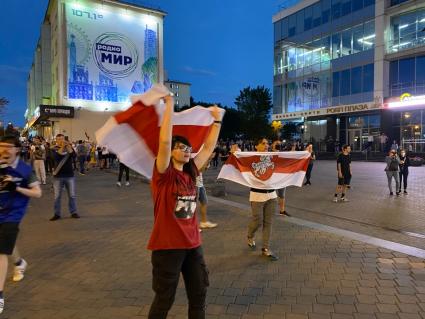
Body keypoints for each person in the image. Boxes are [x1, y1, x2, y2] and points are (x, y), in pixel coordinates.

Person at [148, 93, 223, 319]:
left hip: (193, 245)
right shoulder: (163, 174)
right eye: (179, 147)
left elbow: (208, 148)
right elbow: (164, 141)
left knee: (199, 294)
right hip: (167, 247)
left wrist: (217, 120)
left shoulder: (191, 173)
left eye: (187, 148)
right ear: (171, 152)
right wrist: (170, 104)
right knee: (164, 300)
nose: (185, 150)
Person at [0, 135, 42, 314]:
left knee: (1, 250)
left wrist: (16, 188)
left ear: (17, 149)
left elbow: (37, 193)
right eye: (1, 146)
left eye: (9, 146)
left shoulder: (25, 170)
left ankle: (0, 296)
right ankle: (19, 262)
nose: (4, 149)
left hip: (13, 214)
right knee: (6, 244)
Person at [247, 138, 279, 261]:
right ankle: (250, 235)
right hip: (256, 195)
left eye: (267, 143)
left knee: (268, 223)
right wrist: (235, 152)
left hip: (271, 195)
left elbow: (290, 159)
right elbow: (237, 160)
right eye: (263, 143)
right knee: (258, 221)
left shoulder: (273, 157)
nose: (266, 145)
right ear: (256, 146)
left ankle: (265, 249)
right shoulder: (250, 157)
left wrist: (307, 153)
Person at [49, 134, 80, 221]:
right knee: (57, 196)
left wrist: (68, 146)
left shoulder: (68, 147)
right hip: (58, 176)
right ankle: (57, 214)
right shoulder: (53, 149)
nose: (60, 141)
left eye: (62, 139)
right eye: (58, 139)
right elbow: (57, 157)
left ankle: (73, 212)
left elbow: (73, 156)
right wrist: (63, 146)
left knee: (72, 195)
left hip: (70, 175)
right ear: (56, 140)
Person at [271, 140, 290, 217]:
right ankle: (269, 210)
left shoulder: (283, 154)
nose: (278, 145)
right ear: (272, 145)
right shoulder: (268, 154)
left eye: (279, 144)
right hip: (271, 178)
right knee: (270, 195)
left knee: (282, 195)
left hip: (281, 178)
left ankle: (282, 210)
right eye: (276, 144)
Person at [197, 165, 217, 230]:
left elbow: (203, 169)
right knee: (192, 206)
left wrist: (207, 162)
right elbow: (198, 168)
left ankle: (204, 222)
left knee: (204, 202)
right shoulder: (194, 157)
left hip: (200, 183)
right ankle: (193, 226)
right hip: (193, 184)